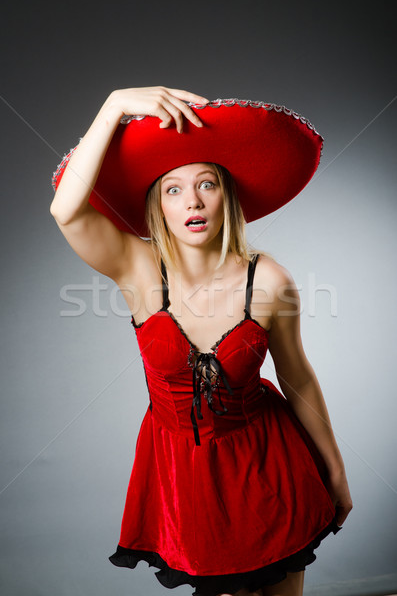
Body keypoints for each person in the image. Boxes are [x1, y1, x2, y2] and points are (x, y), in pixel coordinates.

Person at [50, 86, 353, 596]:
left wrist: (337, 470)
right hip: (184, 480)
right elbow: (66, 211)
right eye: (173, 189)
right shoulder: (138, 268)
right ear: (158, 206)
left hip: (270, 466)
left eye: (206, 184)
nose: (191, 200)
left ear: (226, 196)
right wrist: (115, 104)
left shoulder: (271, 281)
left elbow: (297, 376)